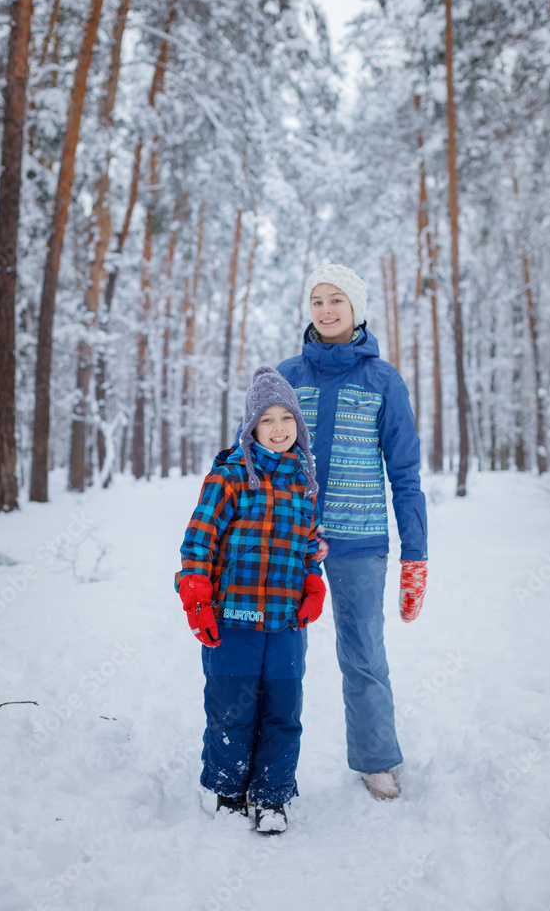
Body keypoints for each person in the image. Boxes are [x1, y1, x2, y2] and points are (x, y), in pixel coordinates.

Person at [276, 263, 428, 800]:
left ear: (355, 308)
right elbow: (254, 461)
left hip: (359, 541)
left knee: (363, 653)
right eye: (317, 300)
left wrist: (416, 553)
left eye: (336, 299)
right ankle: (268, 766)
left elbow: (404, 473)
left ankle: (376, 758)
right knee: (274, 653)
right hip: (287, 541)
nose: (326, 310)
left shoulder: (382, 380)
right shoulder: (287, 376)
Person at [176, 366, 326, 833]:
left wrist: (313, 583)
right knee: (231, 708)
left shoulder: (304, 483)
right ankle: (226, 788)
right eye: (267, 420)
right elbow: (198, 543)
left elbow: (307, 546)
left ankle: (272, 796)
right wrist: (197, 597)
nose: (279, 428)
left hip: (284, 623)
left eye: (287, 419)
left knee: (283, 709)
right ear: (251, 428)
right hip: (234, 620)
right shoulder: (230, 477)